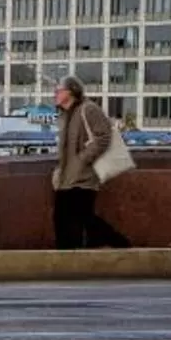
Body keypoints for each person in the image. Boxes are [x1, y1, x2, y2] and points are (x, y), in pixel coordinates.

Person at [50, 76, 129, 250]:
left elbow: (104, 136)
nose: (55, 93)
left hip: (84, 177)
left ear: (72, 91)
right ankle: (68, 255)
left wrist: (83, 159)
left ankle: (118, 243)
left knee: (81, 217)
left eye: (59, 90)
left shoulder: (89, 109)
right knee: (63, 218)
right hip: (66, 178)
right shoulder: (64, 115)